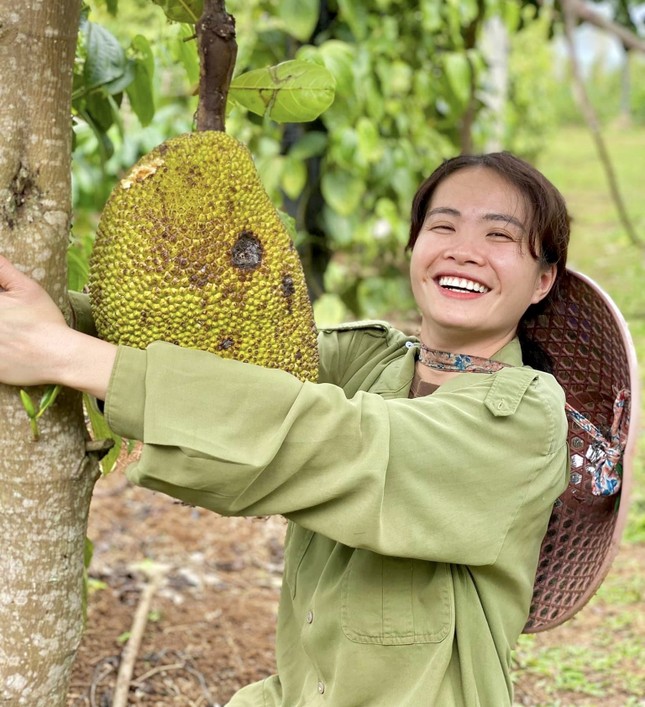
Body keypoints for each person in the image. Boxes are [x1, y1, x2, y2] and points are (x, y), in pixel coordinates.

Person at [0, 151, 572, 706]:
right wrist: (58, 318)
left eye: (499, 237)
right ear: (415, 248)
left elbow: (337, 441)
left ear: (543, 280)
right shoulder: (375, 363)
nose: (464, 251)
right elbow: (226, 354)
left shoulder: (524, 418)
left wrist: (67, 357)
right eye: (443, 226)